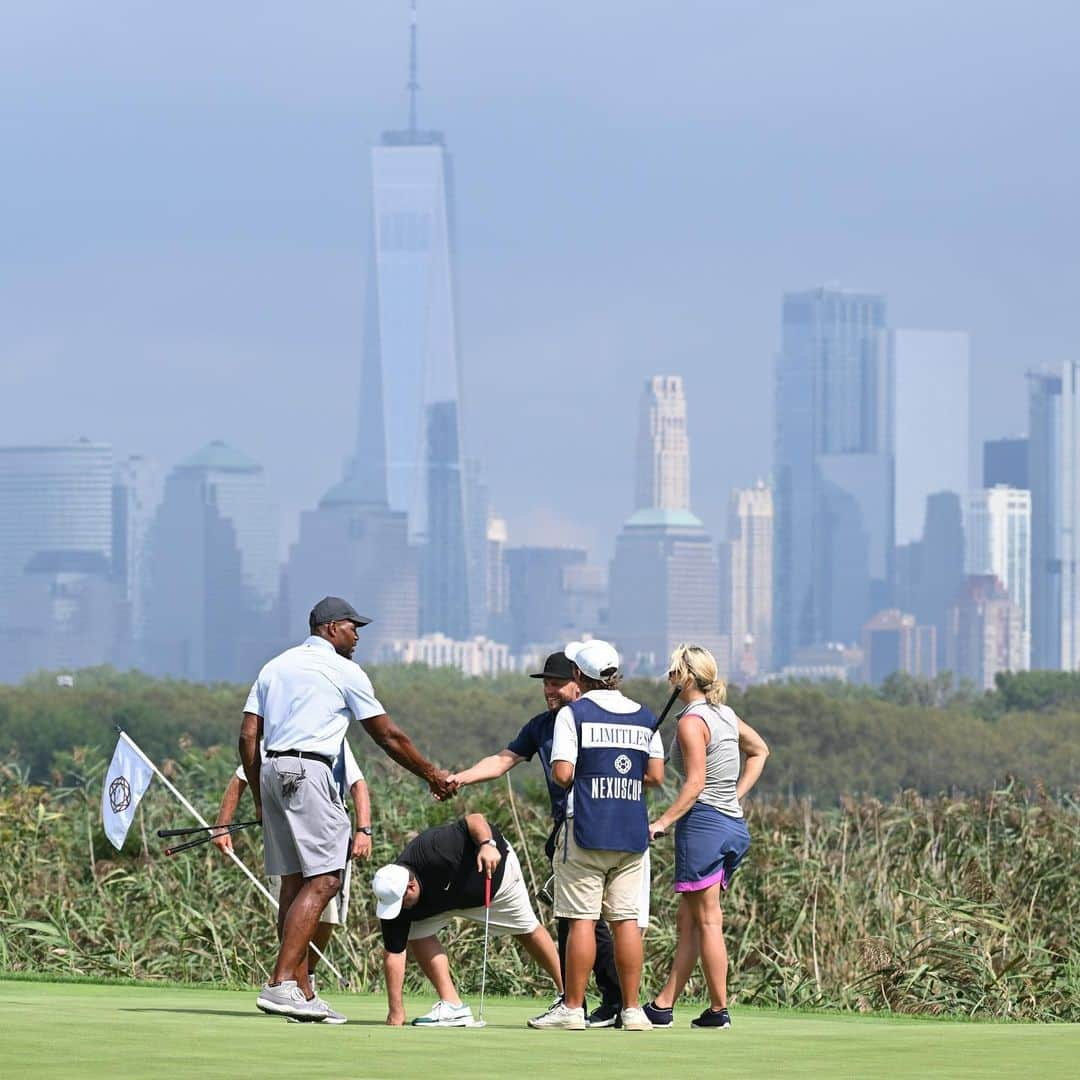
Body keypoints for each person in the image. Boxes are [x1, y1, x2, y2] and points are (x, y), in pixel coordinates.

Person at [240, 595, 456, 1023]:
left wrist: (258, 797)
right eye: (353, 627)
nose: (357, 635)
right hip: (310, 771)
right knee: (326, 879)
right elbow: (387, 735)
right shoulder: (344, 670)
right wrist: (430, 774)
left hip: (271, 770)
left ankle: (300, 991)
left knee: (294, 881)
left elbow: (249, 735)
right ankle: (281, 983)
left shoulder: (275, 666)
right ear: (330, 628)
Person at [449, 651, 627, 1027]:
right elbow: (502, 760)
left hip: (598, 827)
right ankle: (608, 1001)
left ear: (579, 681)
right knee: (578, 919)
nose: (548, 690)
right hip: (565, 831)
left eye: (556, 683)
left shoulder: (592, 718)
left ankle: (604, 1001)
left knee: (593, 919)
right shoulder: (541, 725)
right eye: (545, 683)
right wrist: (459, 778)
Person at [529, 640, 664, 1031]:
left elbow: (563, 774)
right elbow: (655, 776)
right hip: (630, 830)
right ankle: (633, 1009)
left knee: (581, 920)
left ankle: (572, 1008)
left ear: (577, 676)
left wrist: (594, 772)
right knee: (625, 922)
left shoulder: (575, 713)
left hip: (585, 827)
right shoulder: (645, 715)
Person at [642, 643, 770, 1030]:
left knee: (708, 921)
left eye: (672, 672)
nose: (668, 679)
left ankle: (718, 1010)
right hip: (732, 824)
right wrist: (735, 794)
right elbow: (760, 751)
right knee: (691, 921)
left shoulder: (690, 721)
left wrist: (662, 821)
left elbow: (695, 784)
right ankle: (663, 1005)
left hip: (704, 825)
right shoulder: (725, 715)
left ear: (686, 677)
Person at [373, 813, 564, 1027]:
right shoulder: (394, 899)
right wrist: (395, 1013)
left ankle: (568, 996)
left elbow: (474, 819)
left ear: (411, 886)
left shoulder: (435, 849)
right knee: (417, 933)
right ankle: (453, 1006)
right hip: (444, 900)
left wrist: (487, 844)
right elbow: (394, 954)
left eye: (401, 901)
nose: (399, 908)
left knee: (527, 930)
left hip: (496, 883)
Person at [212, 737, 372, 991]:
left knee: (328, 914)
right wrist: (222, 826)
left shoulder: (336, 737)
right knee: (291, 895)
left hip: (330, 828)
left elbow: (358, 785)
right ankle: (291, 979)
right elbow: (240, 777)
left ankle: (304, 975)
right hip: (290, 826)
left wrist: (364, 830)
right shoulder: (279, 738)